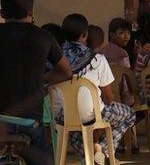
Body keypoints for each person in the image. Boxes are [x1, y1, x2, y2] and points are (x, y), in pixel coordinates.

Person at [0, 0, 72, 165]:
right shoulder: (44, 36)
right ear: (30, 13)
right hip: (30, 120)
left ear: (1, 13)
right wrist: (43, 80)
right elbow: (66, 72)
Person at [53, 14, 135, 164]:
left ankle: (91, 154)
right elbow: (109, 98)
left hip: (62, 115)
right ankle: (101, 151)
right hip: (91, 113)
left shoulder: (53, 58)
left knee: (73, 129)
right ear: (85, 35)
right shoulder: (97, 59)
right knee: (129, 114)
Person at [99, 18, 134, 105]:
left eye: (128, 33)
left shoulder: (101, 52)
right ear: (112, 34)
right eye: (121, 33)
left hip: (105, 97)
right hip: (122, 98)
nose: (126, 36)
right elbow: (128, 79)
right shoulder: (123, 54)